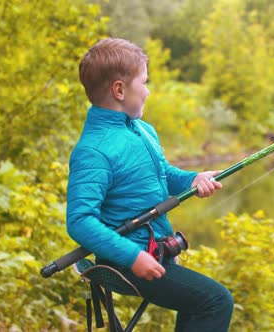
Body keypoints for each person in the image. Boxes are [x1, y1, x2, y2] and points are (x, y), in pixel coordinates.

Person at [66, 38, 233, 331]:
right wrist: (133, 256)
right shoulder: (93, 151)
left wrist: (193, 179)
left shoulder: (143, 129)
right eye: (143, 83)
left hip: (156, 252)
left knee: (200, 304)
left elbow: (163, 173)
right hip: (122, 262)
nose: (148, 91)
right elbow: (80, 221)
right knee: (215, 301)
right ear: (119, 90)